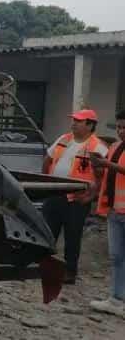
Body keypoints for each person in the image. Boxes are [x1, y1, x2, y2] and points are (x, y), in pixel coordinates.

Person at [41, 109, 108, 284]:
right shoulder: (64, 139)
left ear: (90, 125)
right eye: (74, 120)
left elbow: (102, 177)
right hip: (54, 194)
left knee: (72, 236)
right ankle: (43, 267)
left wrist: (90, 197)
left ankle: (69, 271)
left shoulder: (97, 147)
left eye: (79, 121)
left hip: (76, 199)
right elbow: (47, 160)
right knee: (47, 233)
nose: (74, 123)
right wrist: (45, 184)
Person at [89, 110, 125, 317]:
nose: (121, 131)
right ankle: (116, 299)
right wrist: (98, 167)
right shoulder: (114, 147)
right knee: (117, 257)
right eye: (119, 127)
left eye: (124, 127)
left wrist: (106, 164)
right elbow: (107, 175)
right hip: (114, 210)